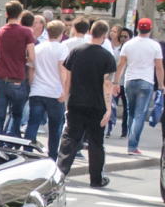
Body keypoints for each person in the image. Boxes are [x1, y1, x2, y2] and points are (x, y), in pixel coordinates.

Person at [56, 20, 117, 187]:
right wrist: (108, 108)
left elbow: (68, 78)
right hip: (97, 104)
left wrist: (67, 98)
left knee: (70, 138)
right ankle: (96, 179)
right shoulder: (107, 56)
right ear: (104, 35)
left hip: (76, 101)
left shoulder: (76, 51)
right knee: (96, 142)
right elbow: (107, 84)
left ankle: (60, 173)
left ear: (91, 32)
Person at [115, 18, 165, 155]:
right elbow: (159, 67)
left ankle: (131, 142)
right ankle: (132, 145)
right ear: (150, 29)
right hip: (146, 81)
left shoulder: (128, 44)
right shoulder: (155, 46)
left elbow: (121, 64)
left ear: (137, 28)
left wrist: (116, 82)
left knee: (131, 112)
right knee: (139, 115)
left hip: (130, 80)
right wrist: (161, 85)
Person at [25, 20, 70, 160]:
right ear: (62, 33)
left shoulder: (38, 48)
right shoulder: (62, 49)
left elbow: (31, 70)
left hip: (38, 91)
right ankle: (52, 156)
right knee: (55, 127)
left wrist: (33, 85)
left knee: (32, 124)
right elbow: (63, 69)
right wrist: (65, 90)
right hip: (55, 92)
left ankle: (27, 152)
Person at [0, 0, 35, 137]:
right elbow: (32, 57)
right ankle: (10, 144)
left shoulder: (1, 31)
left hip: (0, 77)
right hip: (17, 78)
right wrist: (22, 61)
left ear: (6, 14)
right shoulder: (26, 32)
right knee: (16, 115)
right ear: (20, 15)